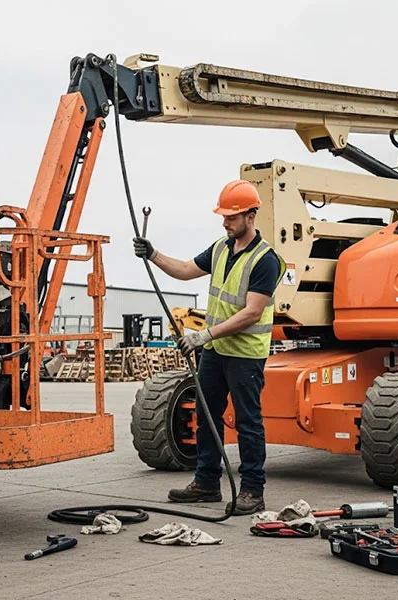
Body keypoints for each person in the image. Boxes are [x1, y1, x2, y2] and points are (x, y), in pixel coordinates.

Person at [133, 180, 285, 515]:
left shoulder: (265, 260)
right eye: (224, 216)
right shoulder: (220, 249)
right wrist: (154, 254)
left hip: (245, 354)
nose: (225, 222)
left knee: (248, 422)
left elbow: (252, 312)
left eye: (232, 216)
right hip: (216, 353)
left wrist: (205, 335)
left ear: (251, 215)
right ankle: (206, 483)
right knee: (206, 415)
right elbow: (187, 271)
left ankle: (252, 491)